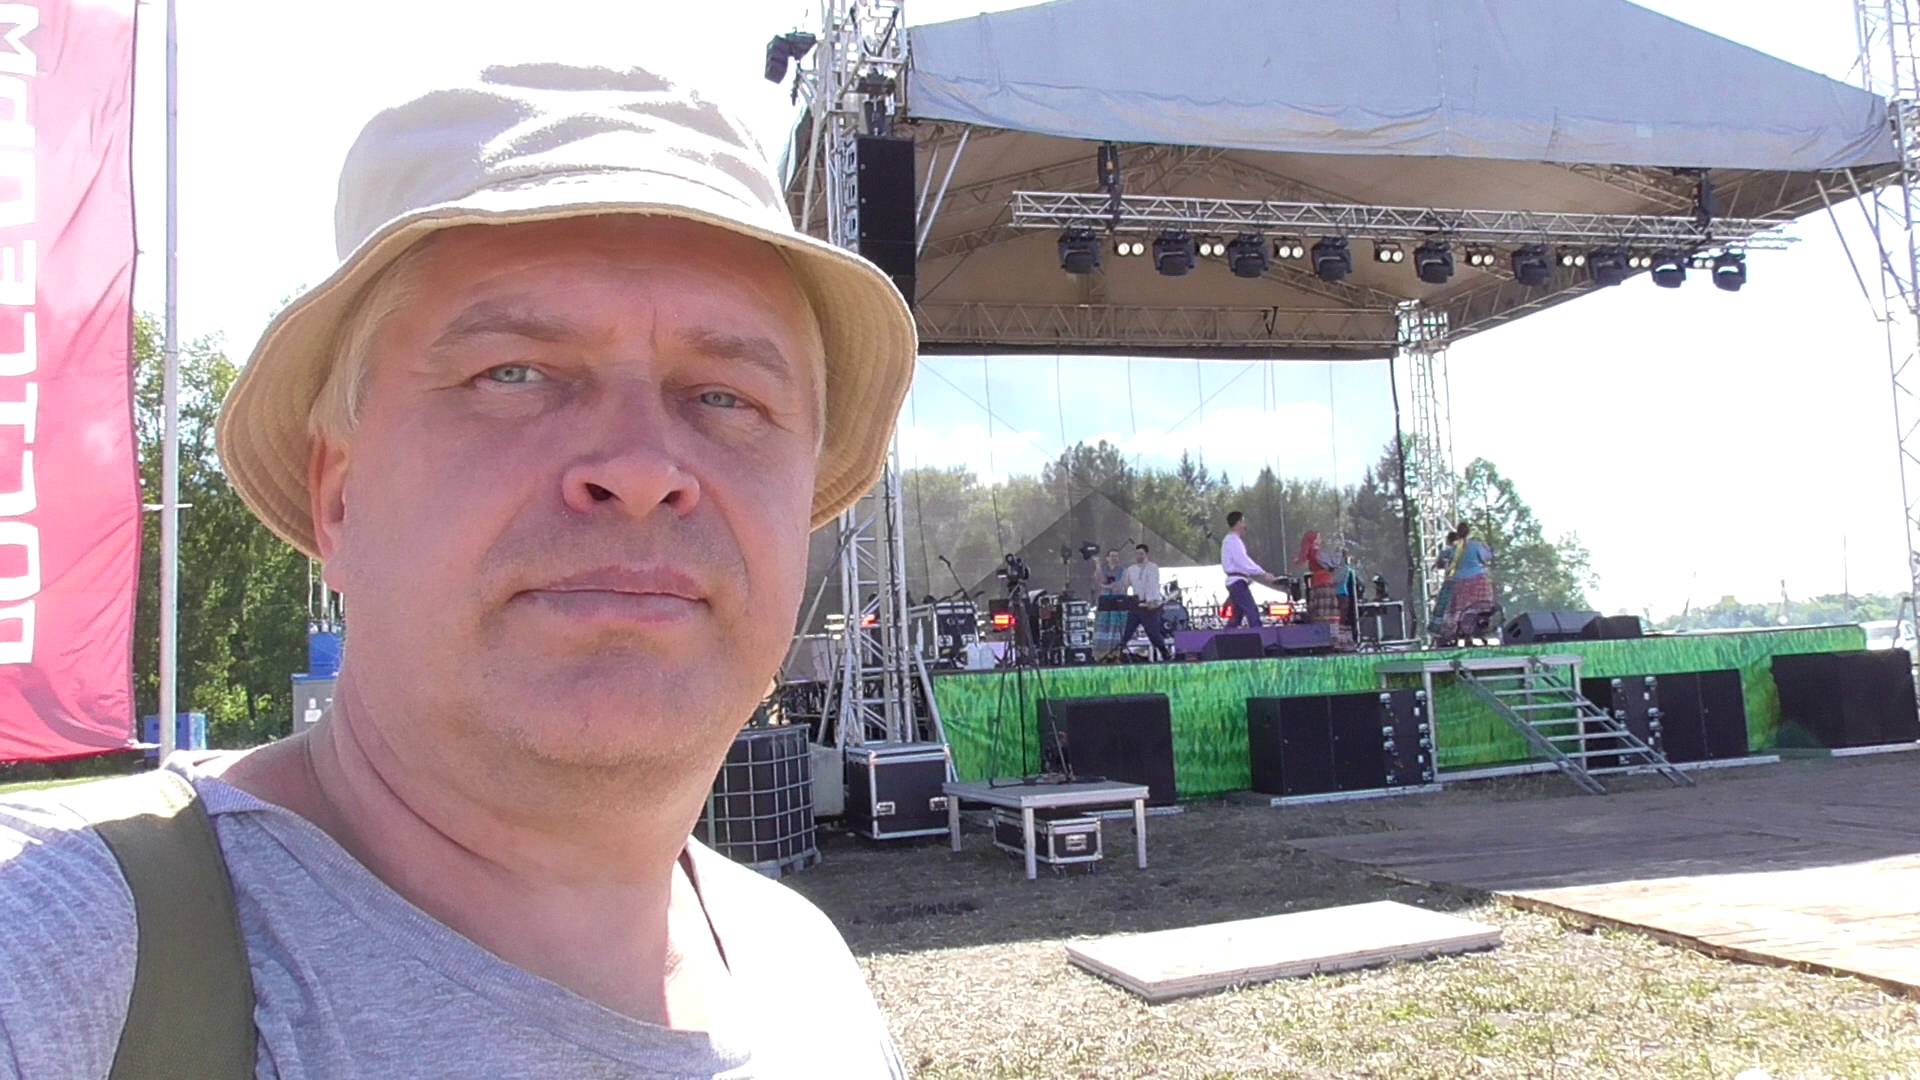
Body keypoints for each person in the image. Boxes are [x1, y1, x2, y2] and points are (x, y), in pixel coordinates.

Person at [0, 64, 912, 1077]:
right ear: (339, 496)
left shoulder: (807, 979)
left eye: (727, 396)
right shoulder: (59, 960)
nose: (642, 468)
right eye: (512, 374)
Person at [1443, 522, 1500, 644]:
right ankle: (1480, 632)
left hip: (1459, 583)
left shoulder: (1453, 548)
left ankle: (1464, 636)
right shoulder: (1475, 545)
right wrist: (1487, 548)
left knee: (1461, 611)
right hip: (1477, 581)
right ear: (1468, 532)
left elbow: (1444, 563)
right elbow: (1487, 557)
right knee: (1479, 609)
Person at [1296, 530, 1354, 649]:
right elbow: (1333, 563)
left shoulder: (1311, 553)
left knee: (1320, 613)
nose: (1320, 540)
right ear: (1313, 541)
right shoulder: (1316, 553)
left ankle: (1321, 639)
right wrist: (1340, 552)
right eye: (1318, 538)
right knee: (1330, 614)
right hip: (1325, 585)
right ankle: (1334, 641)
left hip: (1317, 584)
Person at [1220, 510, 1278, 628]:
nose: (1245, 525)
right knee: (1252, 612)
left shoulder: (1231, 540)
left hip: (1237, 582)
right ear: (1238, 523)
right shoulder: (1232, 540)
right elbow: (1244, 562)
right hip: (1237, 583)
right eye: (1243, 522)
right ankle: (1259, 636)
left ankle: (1227, 635)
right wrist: (1263, 573)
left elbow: (1243, 562)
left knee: (1236, 616)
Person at [1121, 544, 1172, 661]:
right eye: (1137, 554)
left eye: (1141, 554)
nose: (1139, 556)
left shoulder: (1152, 567)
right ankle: (1119, 653)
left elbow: (1152, 585)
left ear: (1146, 554)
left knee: (1153, 632)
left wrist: (1151, 602)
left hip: (1151, 605)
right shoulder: (1131, 569)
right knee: (1127, 630)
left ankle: (1165, 653)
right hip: (1136, 604)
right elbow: (1125, 585)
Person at [1094, 548, 1130, 657]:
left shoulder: (1123, 571)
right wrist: (1097, 565)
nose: (1115, 558)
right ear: (1107, 558)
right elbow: (1099, 581)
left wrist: (1107, 586)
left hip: (1118, 602)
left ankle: (1119, 651)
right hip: (1106, 602)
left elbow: (1121, 584)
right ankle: (1103, 652)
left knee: (1118, 626)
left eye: (1116, 556)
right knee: (1104, 626)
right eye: (1112, 556)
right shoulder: (1103, 569)